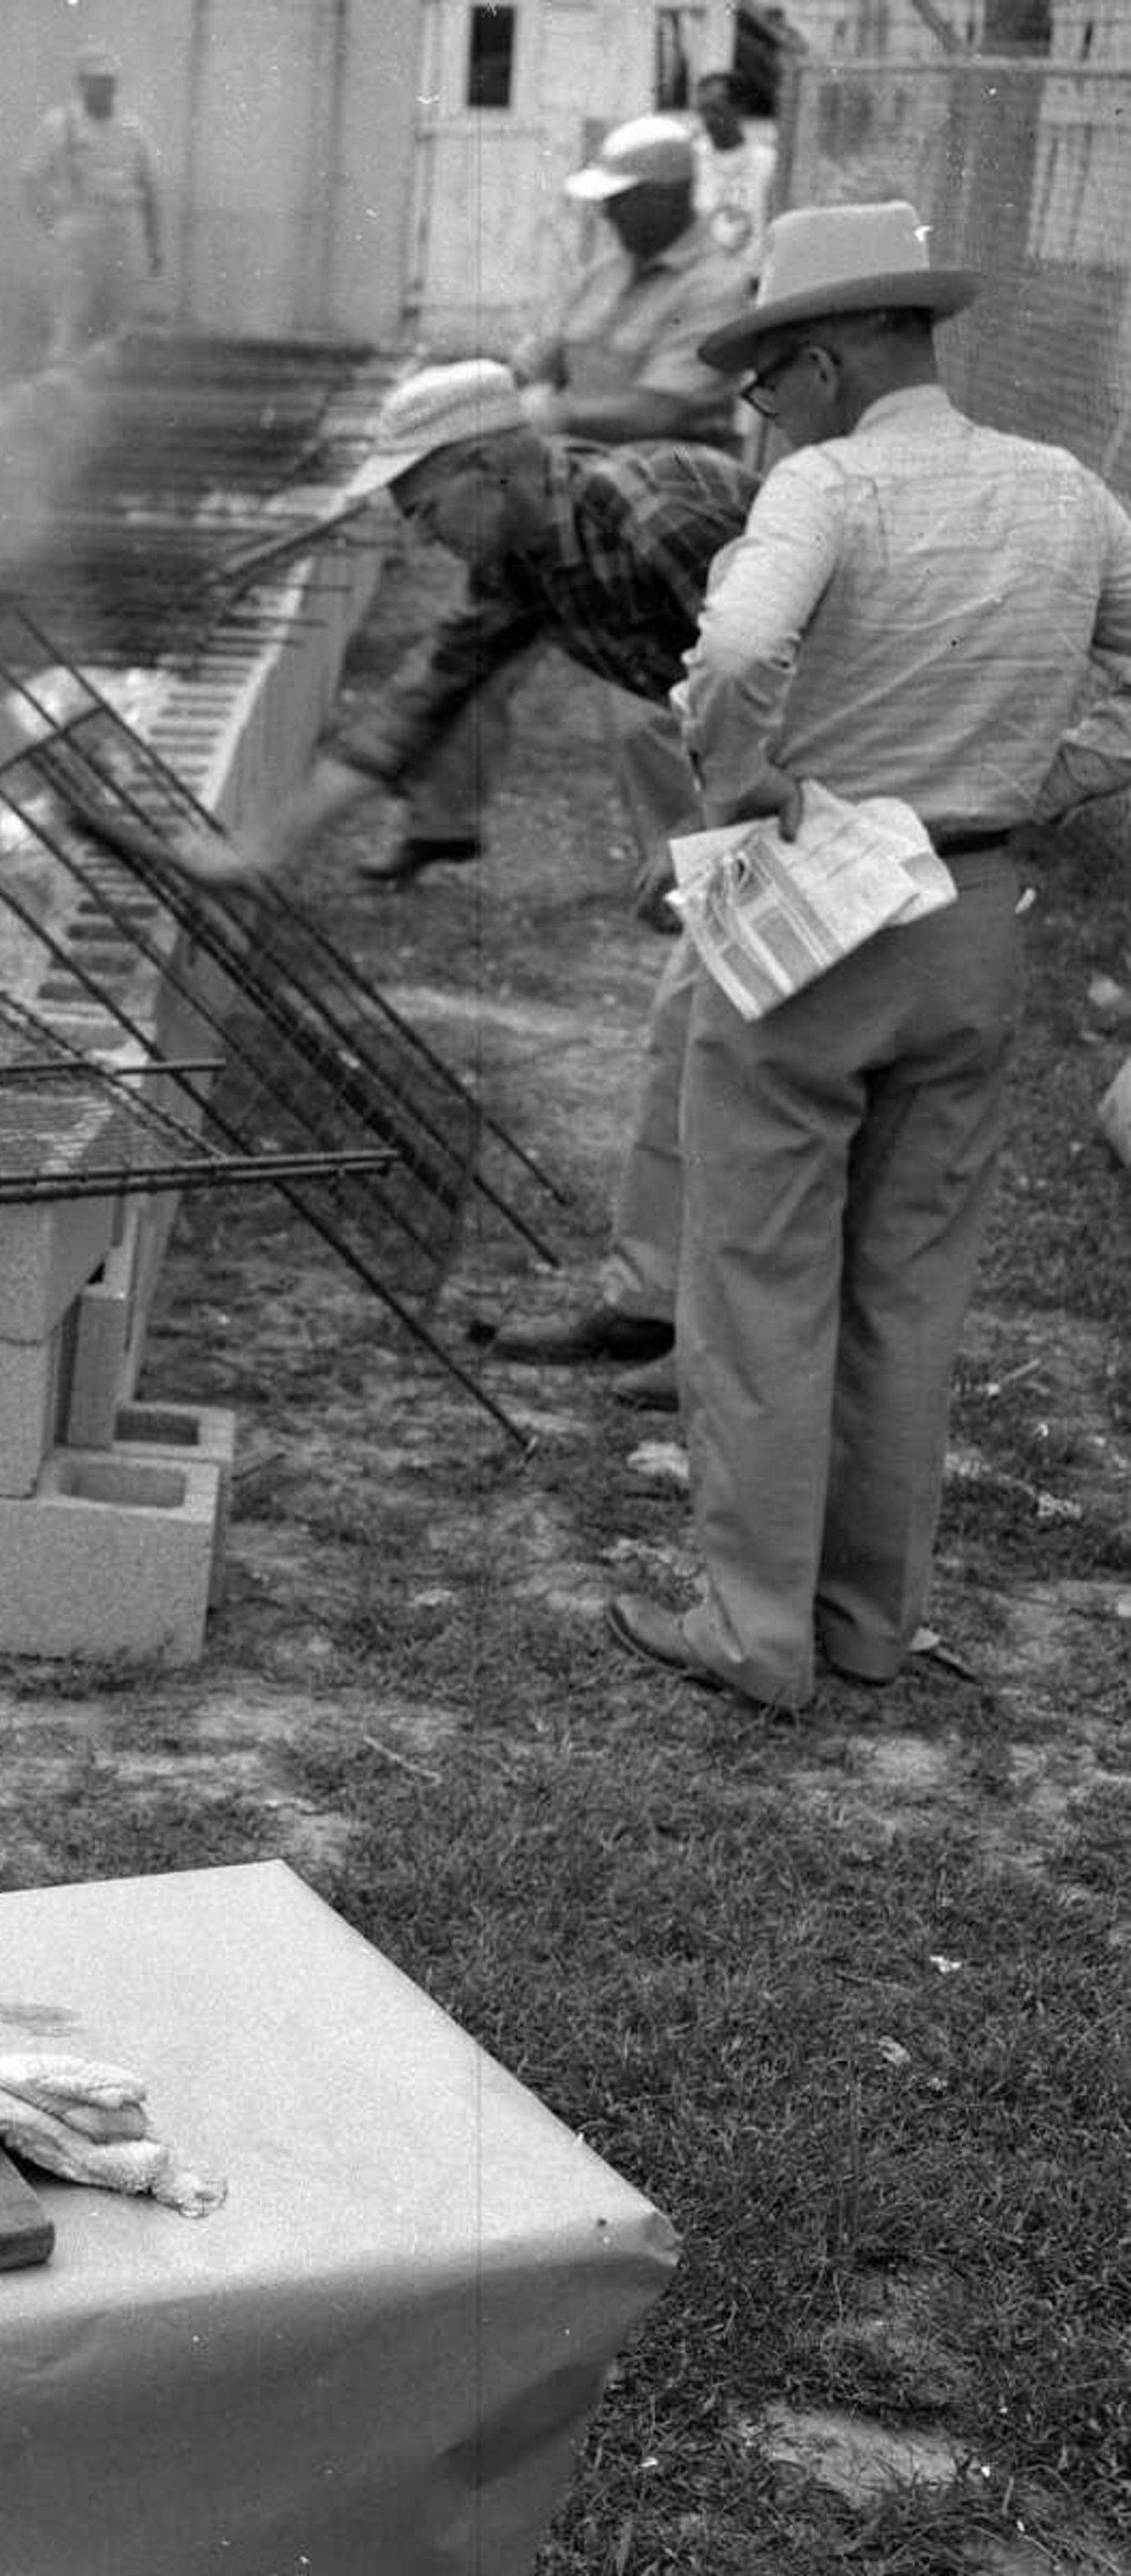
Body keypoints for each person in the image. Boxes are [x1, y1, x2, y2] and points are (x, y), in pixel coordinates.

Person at [606, 199, 1131, 1711]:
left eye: (768, 383)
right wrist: (1048, 774)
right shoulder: (1067, 493)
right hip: (973, 914)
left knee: (762, 1277)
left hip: (816, 913)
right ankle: (866, 1624)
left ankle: (754, 1629)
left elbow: (741, 650)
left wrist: (744, 781)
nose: (765, 415)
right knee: (910, 1288)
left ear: (821, 361)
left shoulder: (827, 490)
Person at [171, 359, 758, 1408]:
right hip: (750, 788)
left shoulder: (653, 516)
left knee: (752, 1062)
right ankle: (656, 1310)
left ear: (487, 468)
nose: (415, 531)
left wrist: (704, 831)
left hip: (836, 793)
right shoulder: (528, 549)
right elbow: (428, 692)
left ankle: (726, 1350)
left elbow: (810, 686)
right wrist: (264, 843)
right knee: (688, 1036)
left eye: (421, 503)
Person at [386, 113, 755, 890]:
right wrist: (475, 406)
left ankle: (695, 871)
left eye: (622, 200)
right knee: (469, 661)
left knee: (654, 713)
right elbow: (537, 355)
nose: (609, 214)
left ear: (669, 196)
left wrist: (546, 415)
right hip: (549, 498)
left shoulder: (716, 286)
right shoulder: (603, 272)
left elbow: (663, 408)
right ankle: (440, 824)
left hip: (658, 515)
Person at [19, 42, 161, 364]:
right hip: (79, 229)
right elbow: (30, 178)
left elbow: (150, 187)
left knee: (121, 320)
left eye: (109, 82)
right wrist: (51, 224)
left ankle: (108, 399)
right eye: (95, 82)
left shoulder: (133, 128)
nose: (103, 89)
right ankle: (59, 394)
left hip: (123, 230)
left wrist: (154, 244)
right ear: (81, 84)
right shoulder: (59, 125)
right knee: (70, 316)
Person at [690, 72, 778, 268]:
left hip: (753, 278)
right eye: (702, 110)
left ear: (738, 109)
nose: (708, 119)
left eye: (716, 110)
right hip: (703, 278)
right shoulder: (692, 159)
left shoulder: (767, 161)